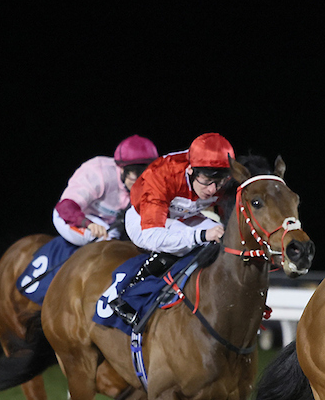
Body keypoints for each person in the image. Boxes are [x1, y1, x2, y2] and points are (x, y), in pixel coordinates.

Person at [107, 132, 237, 326]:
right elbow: (154, 236)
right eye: (207, 181)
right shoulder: (162, 174)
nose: (212, 189)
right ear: (191, 170)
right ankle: (127, 294)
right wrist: (201, 235)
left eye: (219, 182)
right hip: (143, 218)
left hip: (185, 215)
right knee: (186, 239)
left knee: (222, 235)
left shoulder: (225, 179)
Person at [52, 135, 158, 246]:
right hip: (71, 217)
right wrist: (88, 224)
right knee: (107, 241)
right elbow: (65, 207)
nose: (141, 184)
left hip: (108, 223)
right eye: (136, 177)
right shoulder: (99, 173)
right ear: (122, 169)